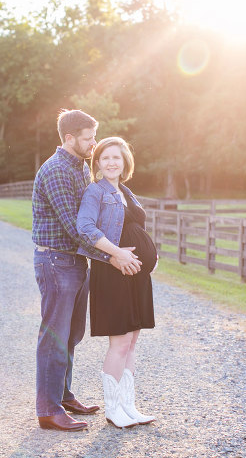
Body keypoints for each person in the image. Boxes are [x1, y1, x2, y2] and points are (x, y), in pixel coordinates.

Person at [32, 110, 141, 432]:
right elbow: (75, 228)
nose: (94, 144)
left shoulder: (79, 167)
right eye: (88, 138)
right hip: (56, 262)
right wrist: (115, 257)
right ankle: (48, 410)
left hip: (76, 262)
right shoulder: (55, 171)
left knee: (71, 334)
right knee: (54, 336)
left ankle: (63, 395)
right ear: (69, 138)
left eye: (94, 137)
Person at [76, 136, 157, 429]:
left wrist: (151, 257)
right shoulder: (95, 192)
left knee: (132, 341)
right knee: (120, 342)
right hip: (113, 273)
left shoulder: (126, 192)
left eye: (117, 158)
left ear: (125, 163)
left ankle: (128, 405)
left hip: (135, 275)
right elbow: (84, 227)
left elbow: (137, 229)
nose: (111, 163)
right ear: (97, 163)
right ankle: (113, 409)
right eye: (106, 158)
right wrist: (117, 253)